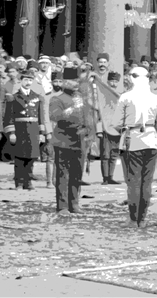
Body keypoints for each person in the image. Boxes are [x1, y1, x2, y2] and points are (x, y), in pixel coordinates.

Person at [114, 66, 157, 228]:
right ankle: (142, 218)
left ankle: (133, 218)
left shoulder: (125, 97)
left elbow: (116, 123)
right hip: (151, 141)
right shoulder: (155, 98)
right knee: (147, 182)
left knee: (134, 182)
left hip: (132, 141)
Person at [50, 67, 88, 216]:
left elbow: (89, 117)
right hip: (63, 139)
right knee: (63, 174)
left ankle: (74, 203)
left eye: (77, 80)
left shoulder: (82, 98)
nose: (75, 83)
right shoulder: (57, 98)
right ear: (65, 82)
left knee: (77, 174)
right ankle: (62, 206)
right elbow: (56, 117)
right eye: (72, 80)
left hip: (80, 139)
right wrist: (73, 108)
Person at [3, 67, 46, 190]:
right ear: (21, 80)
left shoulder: (37, 97)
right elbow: (9, 116)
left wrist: (41, 132)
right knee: (19, 157)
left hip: (33, 130)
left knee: (31, 157)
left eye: (30, 80)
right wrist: (11, 132)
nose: (28, 82)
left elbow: (40, 116)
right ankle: (19, 182)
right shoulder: (14, 97)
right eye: (26, 79)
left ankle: (28, 181)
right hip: (20, 129)